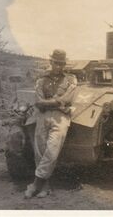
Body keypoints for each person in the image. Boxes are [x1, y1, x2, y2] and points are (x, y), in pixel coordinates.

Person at [24, 49, 77, 199]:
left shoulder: (71, 79)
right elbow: (38, 101)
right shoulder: (41, 80)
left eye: (61, 64)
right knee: (39, 152)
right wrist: (57, 102)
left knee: (52, 151)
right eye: (56, 63)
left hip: (61, 117)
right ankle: (45, 186)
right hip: (42, 116)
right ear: (51, 62)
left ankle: (35, 183)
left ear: (64, 64)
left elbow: (67, 99)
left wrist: (51, 103)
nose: (58, 66)